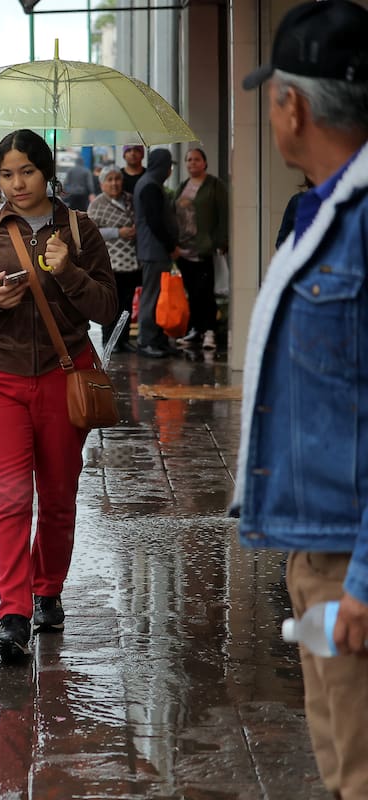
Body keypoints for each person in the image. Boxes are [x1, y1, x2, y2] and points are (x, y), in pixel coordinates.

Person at [236, 1, 368, 797]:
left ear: (294, 105)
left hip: (352, 563)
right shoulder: (321, 209)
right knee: (336, 756)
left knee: (359, 771)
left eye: (272, 95)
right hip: (319, 552)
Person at [0, 129, 117, 661]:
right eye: (6, 174)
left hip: (65, 376)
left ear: (47, 173)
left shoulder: (80, 230)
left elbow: (108, 307)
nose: (18, 184)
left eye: (27, 171)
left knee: (60, 495)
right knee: (14, 496)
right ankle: (13, 614)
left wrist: (68, 272)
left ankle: (48, 591)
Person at [174, 148, 228, 350]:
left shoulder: (215, 185)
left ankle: (210, 331)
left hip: (204, 247)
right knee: (193, 292)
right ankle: (195, 329)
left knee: (206, 292)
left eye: (196, 160)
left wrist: (221, 241)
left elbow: (224, 214)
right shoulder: (183, 186)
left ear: (205, 163)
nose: (191, 163)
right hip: (183, 249)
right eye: (188, 160)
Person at [133, 148, 179, 358]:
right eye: (169, 165)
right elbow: (155, 222)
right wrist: (171, 246)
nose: (170, 170)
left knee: (159, 296)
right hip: (154, 250)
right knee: (152, 297)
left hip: (155, 250)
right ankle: (146, 341)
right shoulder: (150, 186)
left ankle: (158, 340)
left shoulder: (150, 183)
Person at [88, 167, 140, 353]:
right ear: (102, 184)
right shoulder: (97, 204)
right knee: (112, 304)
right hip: (110, 263)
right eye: (109, 180)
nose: (114, 183)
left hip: (131, 261)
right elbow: (91, 233)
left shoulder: (129, 199)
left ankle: (123, 339)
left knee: (126, 304)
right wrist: (118, 232)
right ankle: (110, 341)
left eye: (117, 179)